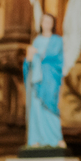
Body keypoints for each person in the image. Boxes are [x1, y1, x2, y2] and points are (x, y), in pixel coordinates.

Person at [23, 13, 63, 148]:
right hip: (37, 79)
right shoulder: (36, 40)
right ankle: (36, 138)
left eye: (49, 21)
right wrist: (28, 58)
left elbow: (56, 58)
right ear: (40, 23)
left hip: (50, 78)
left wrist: (38, 52)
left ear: (53, 24)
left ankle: (56, 138)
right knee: (36, 108)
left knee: (51, 106)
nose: (46, 24)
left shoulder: (57, 40)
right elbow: (29, 61)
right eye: (44, 21)